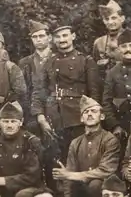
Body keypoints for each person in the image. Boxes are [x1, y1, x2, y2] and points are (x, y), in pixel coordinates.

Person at [31, 22, 102, 161]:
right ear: (53, 39)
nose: (62, 40)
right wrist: (40, 117)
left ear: (73, 36)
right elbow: (39, 91)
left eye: (65, 35)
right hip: (54, 117)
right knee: (57, 158)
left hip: (78, 117)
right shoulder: (49, 62)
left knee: (81, 156)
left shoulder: (86, 60)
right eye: (58, 37)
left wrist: (93, 118)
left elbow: (95, 93)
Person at [0, 101, 52, 197]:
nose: (9, 125)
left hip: (29, 189)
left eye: (13, 121)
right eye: (5, 121)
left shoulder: (30, 142)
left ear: (21, 122)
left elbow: (32, 176)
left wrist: (2, 180)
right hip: (0, 189)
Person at [53, 95, 120, 197]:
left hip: (102, 189)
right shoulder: (75, 143)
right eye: (86, 112)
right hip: (81, 189)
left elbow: (105, 171)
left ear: (102, 116)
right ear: (81, 119)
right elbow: (69, 174)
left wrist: (74, 175)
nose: (89, 114)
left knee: (95, 184)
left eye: (93, 111)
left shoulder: (110, 140)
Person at [93, 0, 131, 75]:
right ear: (104, 21)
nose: (110, 22)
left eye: (114, 18)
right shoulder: (99, 42)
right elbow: (95, 69)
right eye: (107, 19)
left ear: (122, 19)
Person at [18, 20, 53, 131]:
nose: (38, 39)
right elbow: (22, 91)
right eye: (35, 37)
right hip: (31, 113)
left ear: (50, 37)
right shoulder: (24, 62)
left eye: (42, 36)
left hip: (54, 109)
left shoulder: (59, 59)